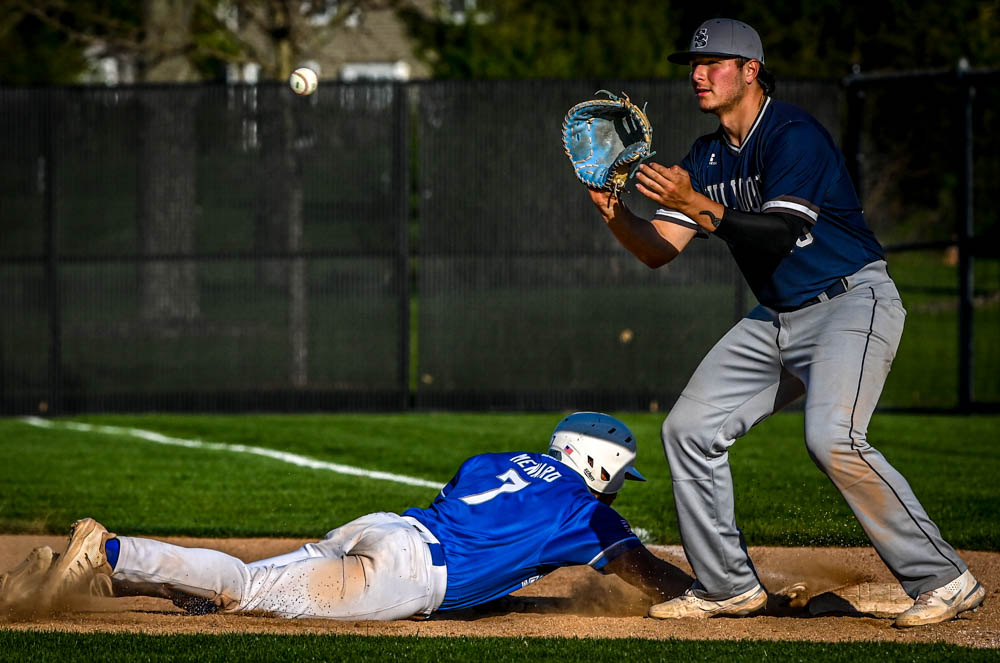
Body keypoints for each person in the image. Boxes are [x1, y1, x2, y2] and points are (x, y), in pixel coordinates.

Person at [586, 18, 985, 627]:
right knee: (689, 430)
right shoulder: (707, 156)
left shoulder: (792, 133)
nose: (697, 73)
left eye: (714, 62)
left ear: (750, 71)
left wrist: (698, 204)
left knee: (832, 438)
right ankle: (728, 587)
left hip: (851, 301)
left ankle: (945, 578)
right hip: (776, 317)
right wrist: (616, 215)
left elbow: (783, 230)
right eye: (693, 64)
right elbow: (659, 247)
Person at [0, 412, 692, 621]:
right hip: (406, 573)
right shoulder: (579, 506)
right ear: (598, 464)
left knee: (233, 591)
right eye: (620, 475)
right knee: (244, 590)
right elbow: (643, 569)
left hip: (384, 528)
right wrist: (701, 594)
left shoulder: (497, 459)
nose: (620, 489)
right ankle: (114, 553)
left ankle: (92, 579)